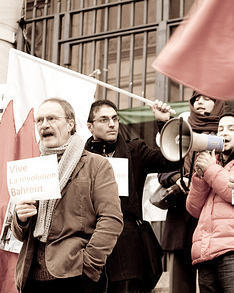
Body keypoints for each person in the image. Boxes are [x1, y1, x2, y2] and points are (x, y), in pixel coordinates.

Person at [12, 98, 123, 293]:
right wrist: (20, 219)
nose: (44, 124)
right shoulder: (33, 168)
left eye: (52, 118)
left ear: (70, 124)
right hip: (31, 278)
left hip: (75, 278)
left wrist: (88, 266)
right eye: (39, 120)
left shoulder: (96, 165)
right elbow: (21, 234)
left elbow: (111, 220)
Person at [84, 98, 180, 293]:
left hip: (128, 246)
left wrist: (164, 123)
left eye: (114, 118)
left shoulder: (135, 150)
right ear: (90, 126)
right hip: (90, 243)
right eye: (103, 120)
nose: (111, 124)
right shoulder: (80, 159)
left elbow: (170, 162)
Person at [186, 113, 234, 293]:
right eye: (220, 129)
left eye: (231, 128)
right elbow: (193, 209)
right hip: (206, 253)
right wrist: (200, 176)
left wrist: (210, 170)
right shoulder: (214, 169)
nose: (223, 133)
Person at [158, 93, 226, 293]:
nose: (199, 102)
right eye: (196, 99)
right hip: (181, 219)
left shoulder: (226, 132)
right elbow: (163, 169)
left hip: (212, 219)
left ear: (218, 102)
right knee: (180, 285)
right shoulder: (180, 128)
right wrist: (176, 179)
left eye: (206, 98)